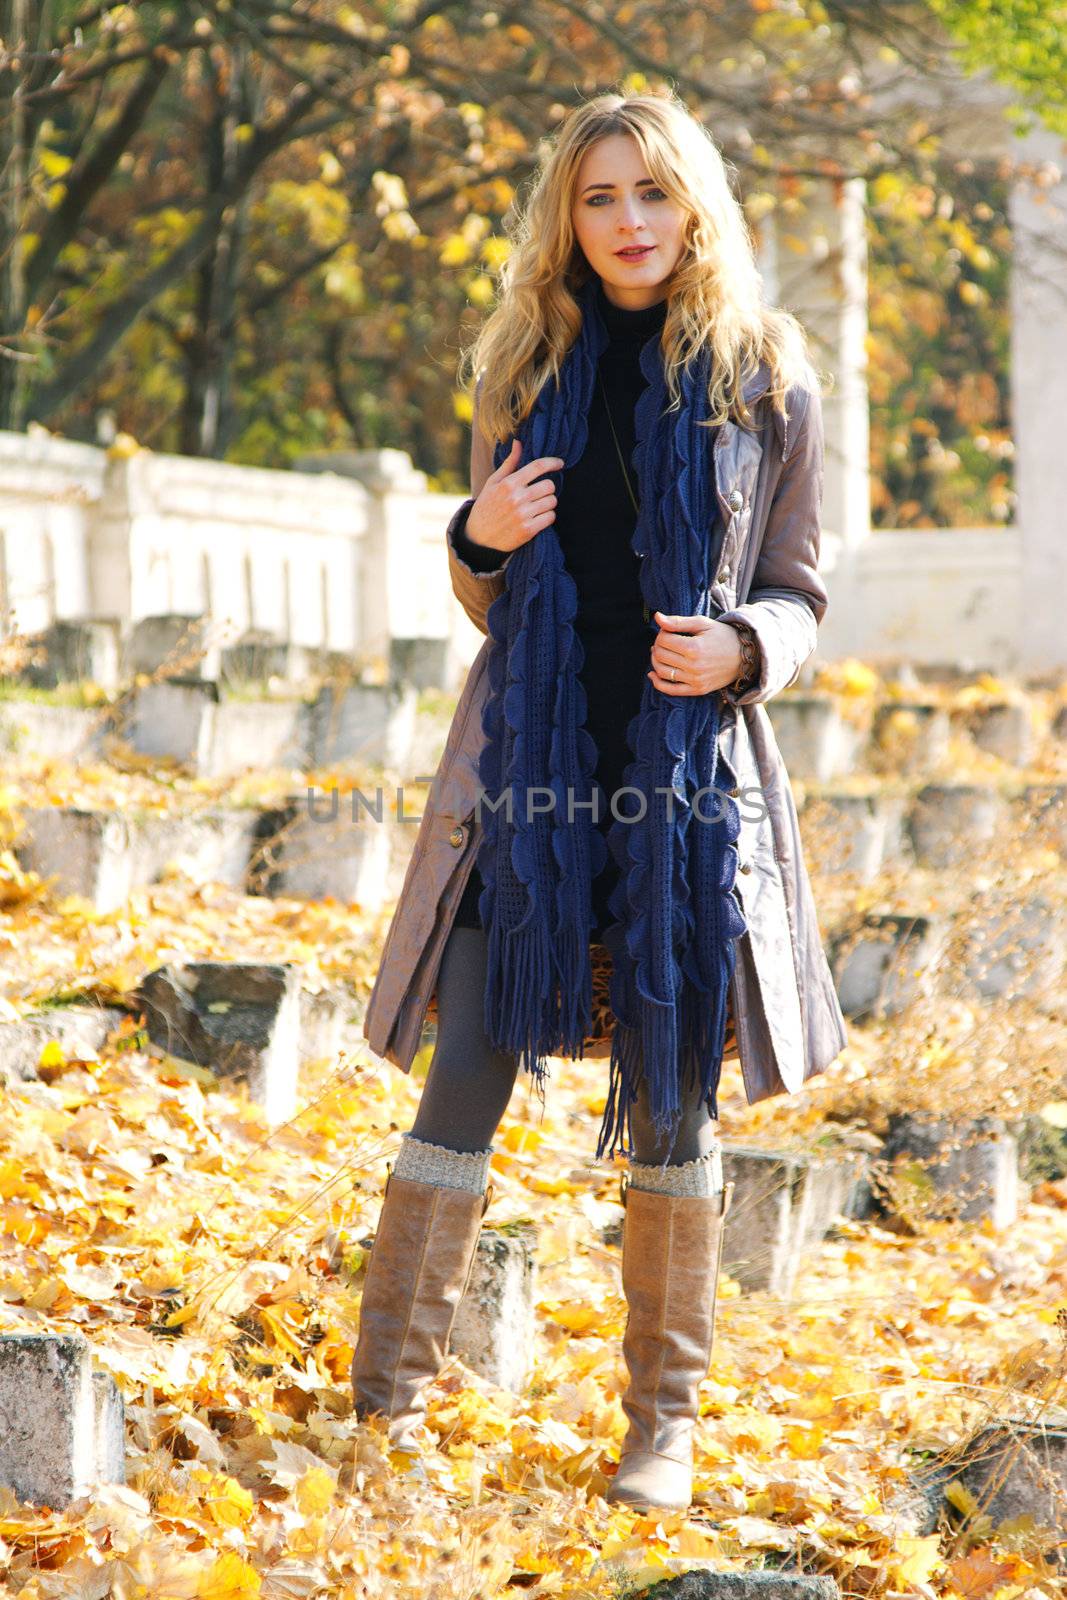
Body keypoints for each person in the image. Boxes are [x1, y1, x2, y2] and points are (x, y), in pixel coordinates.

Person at [352, 87, 847, 1513]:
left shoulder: (765, 376)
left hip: (686, 783)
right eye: (598, 198)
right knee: (469, 1065)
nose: (628, 222)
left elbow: (803, 590)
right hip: (535, 774)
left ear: (694, 205)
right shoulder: (520, 367)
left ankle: (661, 1430)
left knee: (675, 1099)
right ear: (565, 218)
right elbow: (488, 590)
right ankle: (388, 1408)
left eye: (652, 194)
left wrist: (747, 646)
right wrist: (471, 530)